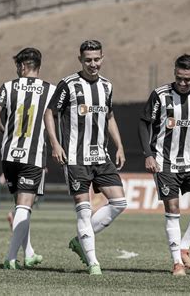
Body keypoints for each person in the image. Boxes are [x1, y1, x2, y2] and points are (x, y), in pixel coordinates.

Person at [44, 40, 127, 275]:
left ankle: (80, 240)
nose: (93, 64)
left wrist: (119, 145)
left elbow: (109, 117)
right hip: (74, 157)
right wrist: (55, 143)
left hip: (101, 155)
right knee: (84, 209)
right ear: (80, 59)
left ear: (103, 58)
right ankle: (93, 263)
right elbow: (50, 113)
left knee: (120, 203)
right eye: (88, 60)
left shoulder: (107, 86)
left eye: (97, 59)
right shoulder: (68, 85)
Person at [138, 54, 190, 277]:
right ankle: (177, 263)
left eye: (188, 79)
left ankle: (184, 247)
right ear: (175, 73)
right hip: (165, 163)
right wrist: (148, 154)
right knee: (173, 209)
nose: (183, 83)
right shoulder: (160, 95)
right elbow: (144, 124)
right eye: (179, 78)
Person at [0, 47, 56, 270]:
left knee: (20, 206)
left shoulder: (8, 87)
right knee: (25, 207)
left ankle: (29, 253)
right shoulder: (50, 90)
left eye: (18, 65)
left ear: (24, 66)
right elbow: (53, 120)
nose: (16, 69)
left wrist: (4, 131)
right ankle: (10, 257)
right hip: (33, 155)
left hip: (8, 154)